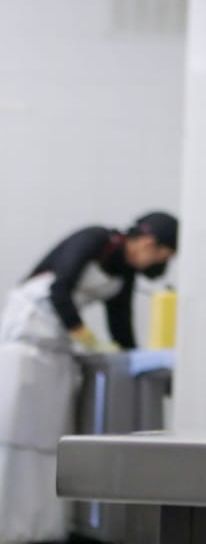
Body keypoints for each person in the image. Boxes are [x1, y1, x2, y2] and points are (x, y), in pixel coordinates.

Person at [0, 211, 178, 543]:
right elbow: (59, 289)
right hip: (25, 341)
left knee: (49, 439)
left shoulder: (123, 276)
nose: (158, 262)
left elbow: (122, 327)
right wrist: (85, 336)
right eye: (160, 255)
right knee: (14, 434)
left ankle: (41, 529)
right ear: (149, 242)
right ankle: (8, 528)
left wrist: (136, 362)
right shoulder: (95, 239)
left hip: (57, 351)